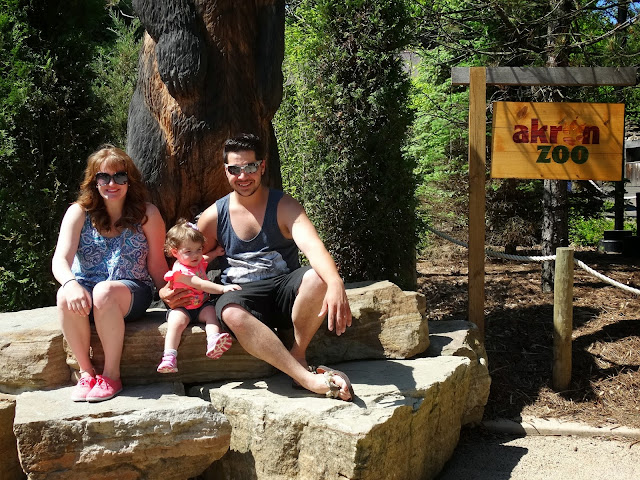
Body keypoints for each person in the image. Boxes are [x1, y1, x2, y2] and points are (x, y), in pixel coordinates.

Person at [187, 133, 354, 401]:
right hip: (241, 295)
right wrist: (173, 291)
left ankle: (298, 355)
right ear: (226, 171)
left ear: (262, 166)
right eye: (235, 169)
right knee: (231, 313)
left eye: (250, 167)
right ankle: (306, 379)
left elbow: (312, 246)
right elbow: (187, 261)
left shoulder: (284, 206)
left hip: (284, 292)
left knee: (318, 278)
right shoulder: (214, 216)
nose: (243, 176)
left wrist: (335, 282)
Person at [52, 145, 169, 402]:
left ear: (130, 180)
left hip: (131, 291)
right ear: (94, 182)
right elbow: (60, 260)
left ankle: (111, 376)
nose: (111, 183)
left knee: (104, 291)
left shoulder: (147, 214)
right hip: (86, 292)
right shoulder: (78, 213)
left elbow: (157, 264)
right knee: (64, 295)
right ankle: (86, 373)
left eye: (119, 176)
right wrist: (70, 284)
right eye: (103, 177)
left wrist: (173, 298)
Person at [157, 219, 241, 373]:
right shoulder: (180, 272)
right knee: (175, 323)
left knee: (211, 314)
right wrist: (223, 289)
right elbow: (200, 284)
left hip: (201, 305)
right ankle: (169, 356)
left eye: (198, 249)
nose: (195, 255)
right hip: (183, 307)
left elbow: (204, 259)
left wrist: (215, 253)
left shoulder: (195, 260)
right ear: (175, 252)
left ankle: (213, 340)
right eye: (188, 251)